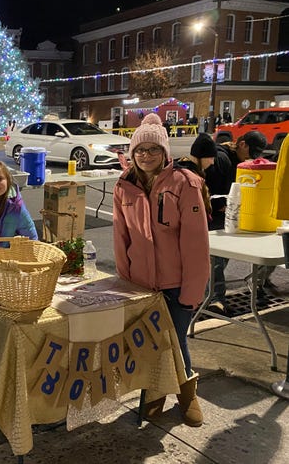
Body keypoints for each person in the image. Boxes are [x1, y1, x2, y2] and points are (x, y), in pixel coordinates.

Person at [113, 113, 209, 427]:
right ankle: (154, 392)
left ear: (164, 153)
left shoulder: (185, 183)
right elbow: (120, 236)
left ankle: (187, 395)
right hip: (140, 284)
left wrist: (192, 292)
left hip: (176, 283)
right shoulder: (124, 185)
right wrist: (125, 283)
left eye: (153, 149)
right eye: (140, 150)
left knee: (175, 341)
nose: (146, 155)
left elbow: (196, 244)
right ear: (132, 152)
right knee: (146, 341)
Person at [205, 130, 270, 314]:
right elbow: (212, 188)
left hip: (226, 214)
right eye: (251, 152)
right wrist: (221, 206)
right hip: (216, 215)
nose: (251, 158)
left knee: (219, 259)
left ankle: (208, 293)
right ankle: (215, 300)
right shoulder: (221, 157)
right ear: (242, 144)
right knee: (216, 259)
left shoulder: (236, 160)